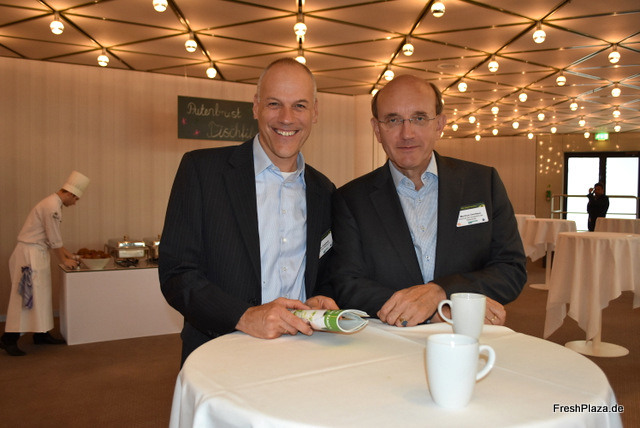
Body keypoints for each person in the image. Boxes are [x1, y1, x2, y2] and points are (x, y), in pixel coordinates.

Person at [159, 58, 338, 364]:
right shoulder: (202, 171)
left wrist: (321, 297)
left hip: (302, 353)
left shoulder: (325, 190)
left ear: (315, 112)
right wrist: (244, 316)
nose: (286, 118)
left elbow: (323, 270)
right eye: (274, 104)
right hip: (220, 353)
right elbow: (177, 274)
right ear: (256, 107)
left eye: (299, 106)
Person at [330, 75, 527, 328]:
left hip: (468, 336)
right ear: (377, 130)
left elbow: (510, 268)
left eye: (419, 118)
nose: (407, 133)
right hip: (389, 340)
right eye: (393, 120)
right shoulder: (350, 199)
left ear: (440, 124)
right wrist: (428, 311)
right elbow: (346, 283)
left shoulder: (483, 184)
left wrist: (442, 293)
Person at [1, 171, 90, 356]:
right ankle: (8, 339)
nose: (75, 203)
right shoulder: (51, 207)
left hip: (37, 254)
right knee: (25, 298)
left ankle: (41, 334)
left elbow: (54, 240)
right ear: (70, 194)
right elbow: (54, 238)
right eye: (76, 199)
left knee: (40, 297)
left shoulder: (53, 203)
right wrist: (64, 259)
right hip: (28, 257)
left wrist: (70, 255)